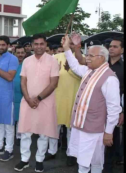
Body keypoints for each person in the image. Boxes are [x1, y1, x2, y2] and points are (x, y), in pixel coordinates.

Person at [62, 34, 122, 173]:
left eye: (90, 56)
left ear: (101, 58)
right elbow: (75, 66)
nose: (86, 58)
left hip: (94, 130)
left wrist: (108, 133)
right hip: (82, 126)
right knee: (89, 161)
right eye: (87, 55)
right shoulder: (90, 71)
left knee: (88, 163)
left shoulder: (109, 78)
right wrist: (66, 48)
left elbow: (114, 109)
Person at [14, 34, 59, 172]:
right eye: (36, 44)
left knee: (43, 133)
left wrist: (38, 98)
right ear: (32, 46)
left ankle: (39, 160)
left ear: (45, 45)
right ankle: (24, 159)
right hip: (27, 101)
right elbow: (23, 81)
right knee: (26, 132)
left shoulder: (53, 61)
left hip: (45, 102)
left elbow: (53, 84)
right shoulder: (27, 61)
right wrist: (28, 98)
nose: (39, 46)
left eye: (41, 44)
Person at [45, 35, 84, 166]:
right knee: (53, 126)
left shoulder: (81, 58)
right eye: (69, 43)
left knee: (71, 129)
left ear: (78, 45)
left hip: (73, 98)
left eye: (73, 43)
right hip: (56, 97)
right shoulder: (55, 57)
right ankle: (52, 150)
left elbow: (81, 72)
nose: (71, 45)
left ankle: (71, 153)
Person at [104, 37, 124, 173]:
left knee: (111, 136)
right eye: (110, 46)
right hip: (98, 107)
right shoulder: (102, 65)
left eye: (115, 46)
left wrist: (122, 111)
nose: (111, 48)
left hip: (115, 109)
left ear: (122, 50)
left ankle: (109, 167)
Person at [13, 46, 26, 146]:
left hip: (23, 95)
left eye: (22, 52)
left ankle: (19, 136)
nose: (20, 55)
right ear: (15, 53)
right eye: (18, 52)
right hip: (11, 95)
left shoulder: (27, 65)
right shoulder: (11, 65)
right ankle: (8, 137)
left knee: (21, 118)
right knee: (11, 118)